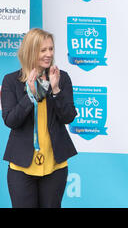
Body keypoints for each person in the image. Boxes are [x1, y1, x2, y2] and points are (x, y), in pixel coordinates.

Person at [1, 28, 77, 208]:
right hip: (22, 166)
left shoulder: (61, 78)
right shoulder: (11, 81)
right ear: (30, 51)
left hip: (54, 165)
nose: (49, 54)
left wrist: (56, 89)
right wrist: (30, 96)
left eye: (51, 49)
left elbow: (69, 117)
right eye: (43, 50)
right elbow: (11, 120)